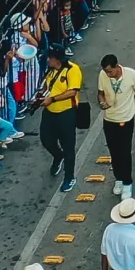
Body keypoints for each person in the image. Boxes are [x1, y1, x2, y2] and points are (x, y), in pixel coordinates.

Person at [93, 54, 135, 199]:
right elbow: (100, 93)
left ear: (117, 66)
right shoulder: (103, 75)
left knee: (124, 152)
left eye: (110, 71)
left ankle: (127, 182)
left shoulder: (131, 74)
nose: (108, 74)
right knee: (114, 152)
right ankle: (118, 178)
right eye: (106, 72)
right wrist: (102, 102)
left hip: (125, 120)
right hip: (109, 120)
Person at [38, 52, 85, 189]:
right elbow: (48, 85)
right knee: (46, 140)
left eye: (50, 57)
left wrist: (52, 99)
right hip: (49, 112)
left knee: (68, 146)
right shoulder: (50, 69)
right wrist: (40, 94)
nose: (48, 60)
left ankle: (69, 177)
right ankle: (58, 156)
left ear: (57, 59)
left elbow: (72, 92)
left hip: (66, 113)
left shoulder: (72, 70)